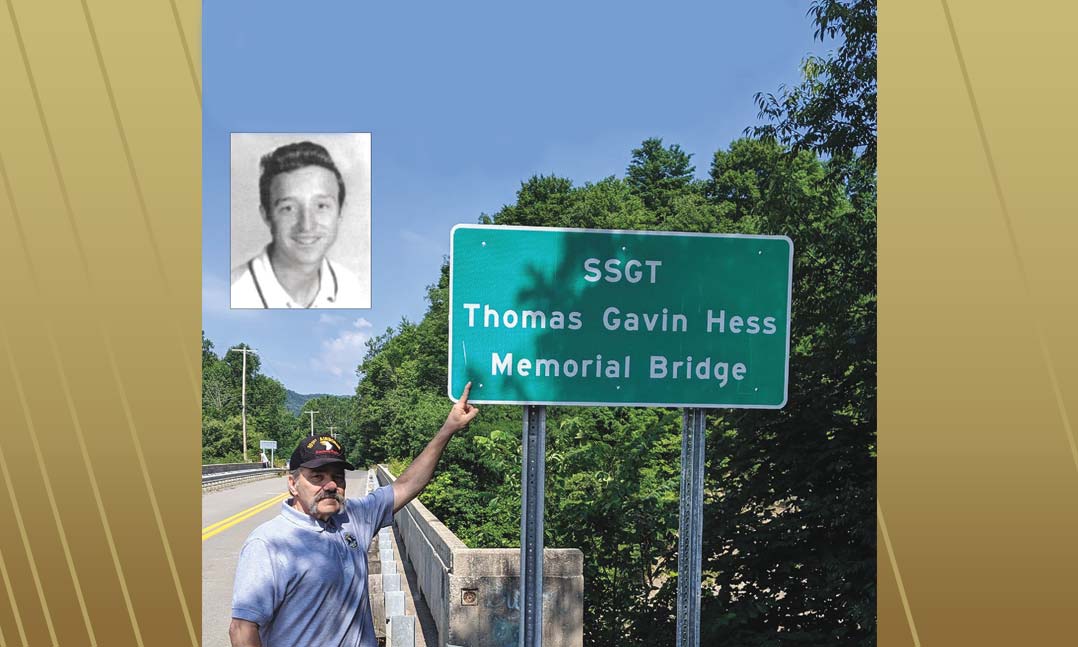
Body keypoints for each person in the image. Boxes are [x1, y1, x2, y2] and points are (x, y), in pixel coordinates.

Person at [228, 383, 479, 647]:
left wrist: (448, 428)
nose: (331, 485)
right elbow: (242, 629)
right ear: (293, 484)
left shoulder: (354, 517)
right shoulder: (270, 543)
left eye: (337, 477)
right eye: (317, 477)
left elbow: (407, 485)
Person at [231, 140, 366, 308]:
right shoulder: (231, 294)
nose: (306, 225)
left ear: (340, 212)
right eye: (288, 208)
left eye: (321, 206)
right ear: (266, 216)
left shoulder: (350, 289)